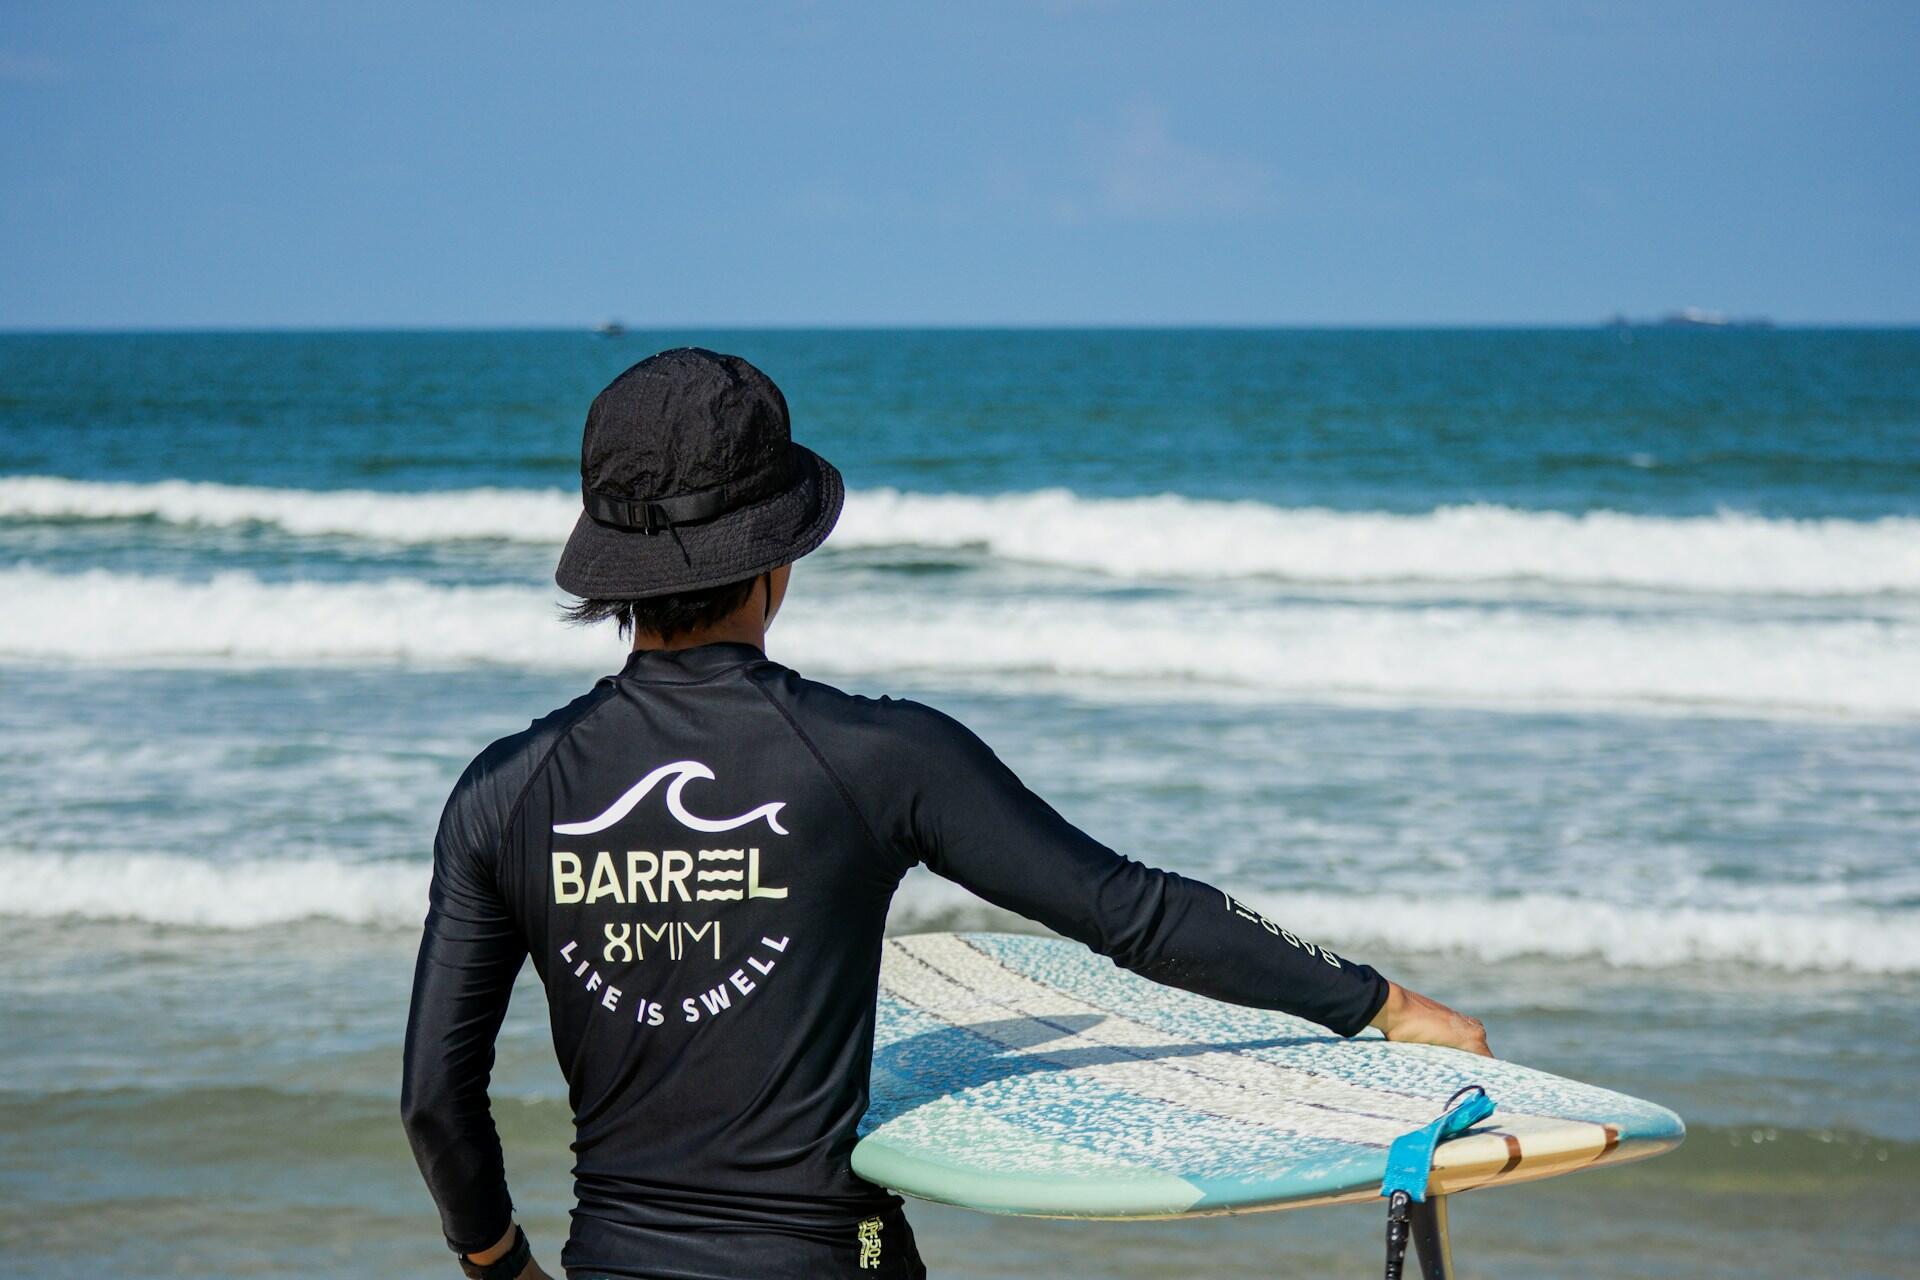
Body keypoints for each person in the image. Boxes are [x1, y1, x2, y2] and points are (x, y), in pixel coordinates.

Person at [401, 348, 1490, 1280]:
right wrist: (1379, 1002)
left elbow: (436, 1098)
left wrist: (497, 1260)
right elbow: (1129, 909)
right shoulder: (878, 758)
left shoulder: (505, 790)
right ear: (776, 556)